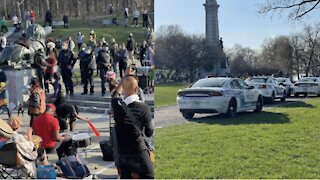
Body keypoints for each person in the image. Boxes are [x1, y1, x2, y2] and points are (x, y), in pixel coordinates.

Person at [111, 69, 154, 179]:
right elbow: (149, 132)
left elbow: (116, 93)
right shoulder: (143, 108)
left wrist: (124, 79)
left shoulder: (116, 105)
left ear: (124, 89)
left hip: (123, 156)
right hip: (138, 154)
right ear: (136, 89)